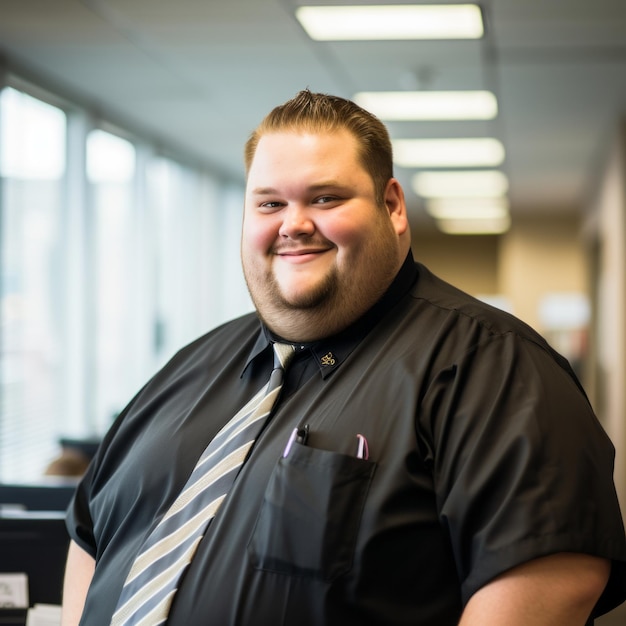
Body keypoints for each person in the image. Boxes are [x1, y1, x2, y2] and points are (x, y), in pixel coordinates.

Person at [62, 90, 626, 625]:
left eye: (325, 198)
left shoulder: (493, 367)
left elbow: (553, 581)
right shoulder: (189, 367)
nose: (293, 223)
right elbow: (91, 535)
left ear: (391, 205)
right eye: (270, 203)